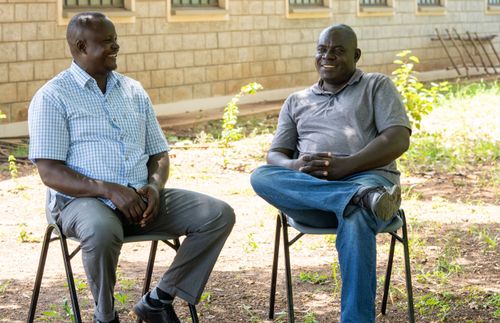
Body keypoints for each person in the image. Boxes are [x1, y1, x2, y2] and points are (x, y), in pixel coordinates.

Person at [28, 12, 235, 323]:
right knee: (100, 229)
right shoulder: (53, 97)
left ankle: (159, 299)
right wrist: (108, 190)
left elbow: (159, 154)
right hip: (82, 203)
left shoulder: (133, 90)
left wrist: (154, 186)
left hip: (141, 200)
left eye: (116, 40)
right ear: (82, 46)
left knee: (218, 214)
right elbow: (50, 172)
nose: (116, 47)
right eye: (108, 42)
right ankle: (105, 315)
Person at [250, 24, 411, 322]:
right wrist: (295, 166)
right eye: (322, 50)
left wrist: (348, 166)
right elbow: (275, 155)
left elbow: (399, 138)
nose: (328, 56)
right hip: (312, 196)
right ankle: (356, 198)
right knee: (260, 175)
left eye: (338, 51)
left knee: (356, 216)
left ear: (356, 55)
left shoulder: (376, 85)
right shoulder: (296, 101)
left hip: (369, 179)